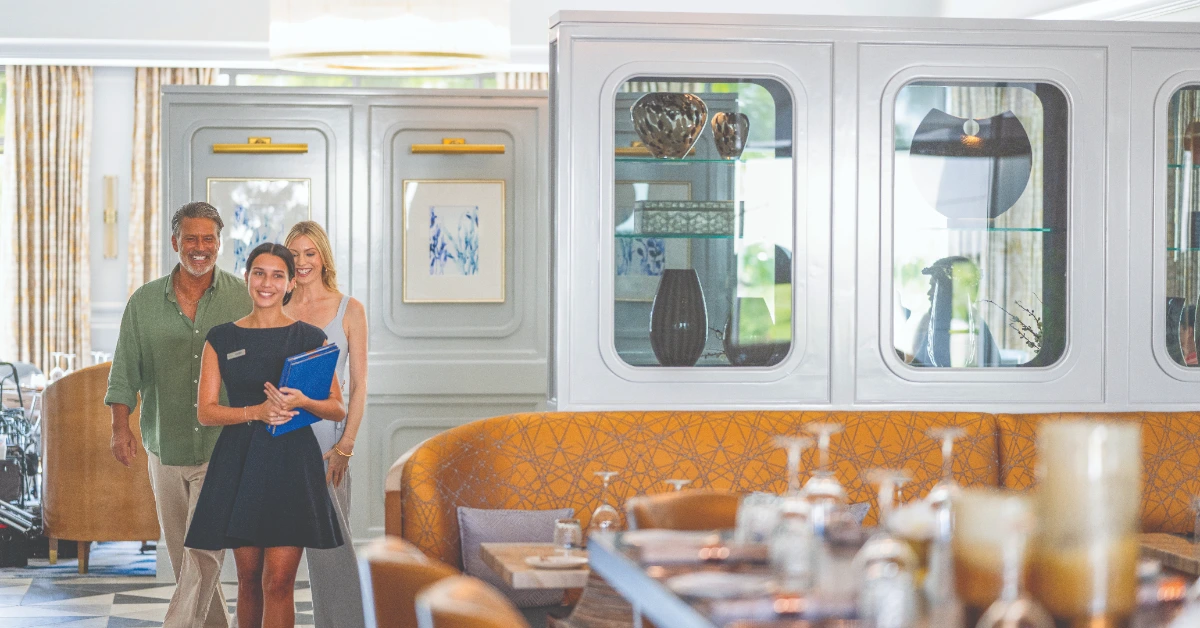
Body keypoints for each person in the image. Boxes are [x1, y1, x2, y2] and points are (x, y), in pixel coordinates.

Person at [185, 242, 345, 628]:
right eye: (259, 273)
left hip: (293, 465)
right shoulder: (220, 338)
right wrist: (256, 411)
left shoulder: (311, 337)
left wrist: (304, 399)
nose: (267, 283)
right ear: (247, 278)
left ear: (290, 283)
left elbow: (337, 408)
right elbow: (206, 412)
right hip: (240, 464)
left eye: (277, 275)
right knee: (248, 580)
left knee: (279, 581)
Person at [106, 202, 250, 628]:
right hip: (163, 445)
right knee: (188, 559)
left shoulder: (242, 298)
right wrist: (120, 427)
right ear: (176, 243)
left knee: (202, 553)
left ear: (219, 244)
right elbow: (124, 369)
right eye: (191, 239)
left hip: (223, 446)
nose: (200, 247)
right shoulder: (145, 303)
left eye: (209, 239)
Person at [284, 221, 368, 628]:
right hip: (279, 446)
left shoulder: (349, 309)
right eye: (295, 254)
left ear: (323, 257)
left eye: (309, 253)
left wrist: (345, 445)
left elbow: (361, 383)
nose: (302, 262)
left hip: (326, 450)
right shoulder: (275, 306)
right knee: (274, 561)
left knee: (332, 557)